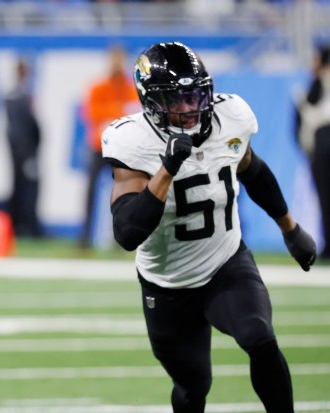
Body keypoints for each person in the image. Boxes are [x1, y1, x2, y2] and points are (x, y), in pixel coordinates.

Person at [103, 41, 316, 413]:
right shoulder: (133, 142)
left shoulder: (230, 116)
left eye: (196, 95)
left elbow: (254, 170)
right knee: (193, 385)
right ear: (151, 103)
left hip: (225, 262)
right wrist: (167, 169)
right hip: (167, 284)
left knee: (259, 336)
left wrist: (290, 230)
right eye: (177, 99)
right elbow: (127, 232)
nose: (189, 108)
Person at [79, 44, 139, 248]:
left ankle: (120, 239)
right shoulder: (98, 87)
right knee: (90, 192)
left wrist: (112, 114)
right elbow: (91, 114)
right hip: (98, 146)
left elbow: (134, 115)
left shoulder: (130, 89)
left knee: (123, 193)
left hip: (120, 148)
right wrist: (116, 112)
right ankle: (85, 238)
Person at [295, 44, 330, 259]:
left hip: (322, 148)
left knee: (326, 199)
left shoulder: (321, 82)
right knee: (325, 199)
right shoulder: (313, 86)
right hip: (320, 151)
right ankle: (328, 243)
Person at [3, 58, 42, 238]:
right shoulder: (24, 96)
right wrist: (35, 146)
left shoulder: (10, 95)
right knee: (30, 188)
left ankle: (16, 224)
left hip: (15, 149)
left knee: (17, 186)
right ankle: (28, 226)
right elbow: (31, 125)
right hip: (26, 150)